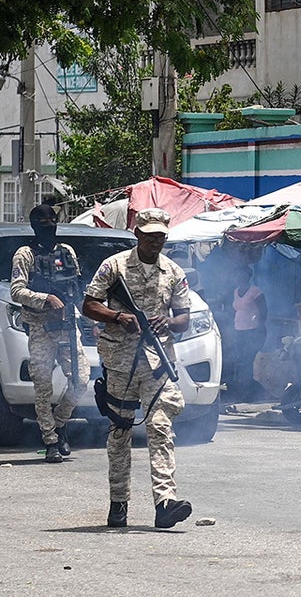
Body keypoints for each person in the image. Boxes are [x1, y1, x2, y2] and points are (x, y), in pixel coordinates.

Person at [82, 208, 193, 529]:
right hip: (120, 363)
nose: (156, 241)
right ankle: (119, 503)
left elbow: (183, 318)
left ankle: (165, 503)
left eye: (161, 235)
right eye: (150, 235)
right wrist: (118, 317)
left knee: (160, 425)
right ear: (138, 234)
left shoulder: (173, 272)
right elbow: (89, 304)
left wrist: (167, 321)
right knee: (120, 431)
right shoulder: (114, 266)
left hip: (157, 363)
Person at [10, 203, 90, 463]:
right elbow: (17, 291)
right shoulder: (25, 255)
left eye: (53, 222)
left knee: (81, 380)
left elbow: (76, 289)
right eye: (44, 224)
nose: (50, 228)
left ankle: (60, 423)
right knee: (43, 389)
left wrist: (94, 320)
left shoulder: (67, 252)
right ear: (34, 226)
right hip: (41, 328)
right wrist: (46, 298)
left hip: (68, 327)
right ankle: (51, 441)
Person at [228, 264, 268, 400]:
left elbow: (264, 311)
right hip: (239, 330)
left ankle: (250, 391)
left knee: (248, 360)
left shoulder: (255, 291)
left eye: (241, 274)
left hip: (253, 331)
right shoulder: (236, 291)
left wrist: (259, 326)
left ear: (248, 276)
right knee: (240, 361)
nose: (239, 277)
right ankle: (242, 390)